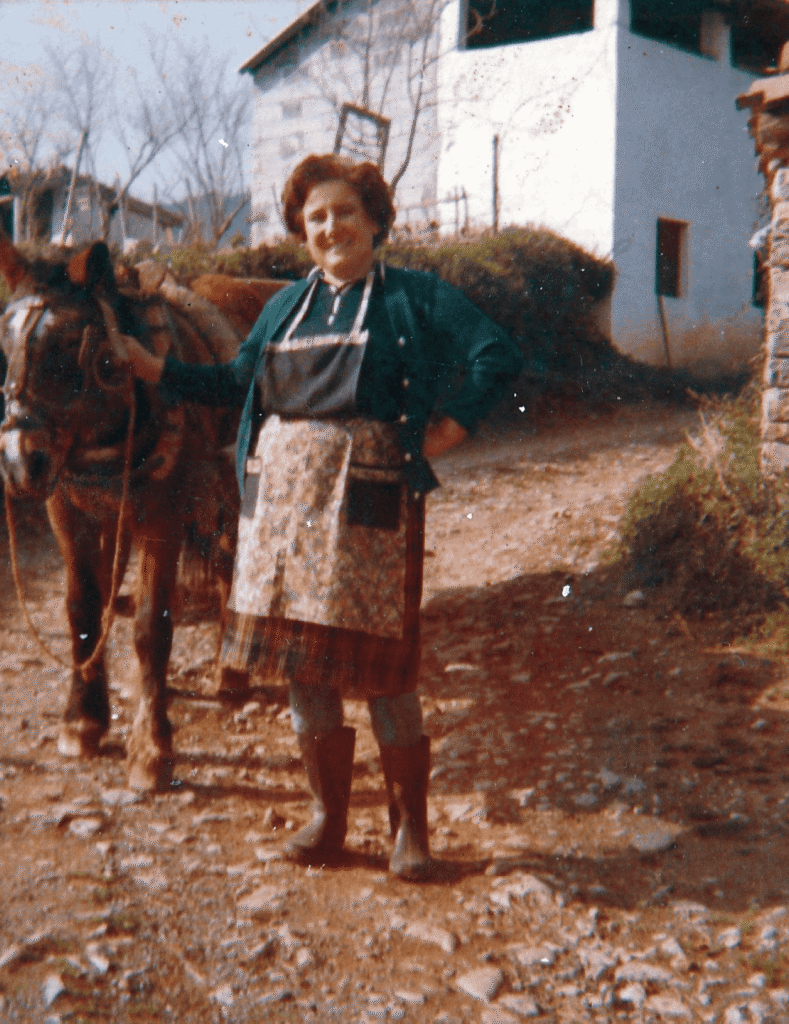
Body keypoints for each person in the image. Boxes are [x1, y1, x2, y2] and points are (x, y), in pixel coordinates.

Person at [109, 154, 523, 881]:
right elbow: (236, 382)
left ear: (373, 222)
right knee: (302, 667)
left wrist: (452, 427)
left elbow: (498, 351)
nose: (330, 227)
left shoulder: (414, 298)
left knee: (384, 668)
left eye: (344, 214)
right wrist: (156, 371)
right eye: (316, 218)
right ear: (304, 230)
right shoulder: (285, 306)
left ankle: (410, 836)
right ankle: (328, 820)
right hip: (281, 510)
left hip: (371, 502)